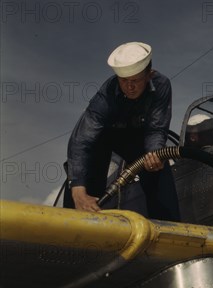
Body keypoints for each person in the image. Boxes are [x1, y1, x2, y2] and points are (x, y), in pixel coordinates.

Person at [64, 41, 180, 221]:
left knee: (157, 165)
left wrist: (153, 154)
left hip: (138, 138)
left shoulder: (162, 85)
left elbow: (156, 129)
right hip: (104, 138)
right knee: (86, 174)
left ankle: (167, 229)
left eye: (135, 80)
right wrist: (78, 189)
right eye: (124, 81)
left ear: (150, 75)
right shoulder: (106, 94)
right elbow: (81, 141)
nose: (129, 87)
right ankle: (74, 225)